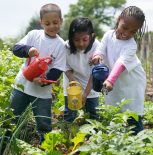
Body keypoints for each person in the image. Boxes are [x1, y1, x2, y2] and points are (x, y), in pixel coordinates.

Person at [10, 3, 66, 143]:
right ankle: (5, 143)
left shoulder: (61, 45)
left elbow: (57, 69)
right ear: (41, 22)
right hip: (21, 86)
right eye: (47, 23)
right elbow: (16, 48)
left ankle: (43, 150)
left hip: (42, 93)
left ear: (61, 21)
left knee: (44, 124)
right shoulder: (34, 35)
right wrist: (28, 50)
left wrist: (44, 80)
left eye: (55, 22)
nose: (52, 26)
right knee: (11, 118)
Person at [92, 6, 146, 135]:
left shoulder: (131, 45)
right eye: (125, 27)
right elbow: (100, 50)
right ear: (118, 19)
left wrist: (110, 80)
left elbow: (120, 64)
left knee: (133, 112)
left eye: (133, 31)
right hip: (115, 81)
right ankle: (118, 142)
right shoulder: (108, 35)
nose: (127, 33)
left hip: (132, 82)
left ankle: (139, 141)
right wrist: (97, 56)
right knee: (114, 111)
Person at [63, 17, 100, 122]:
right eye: (76, 40)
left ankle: (92, 137)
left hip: (90, 83)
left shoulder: (97, 47)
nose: (81, 44)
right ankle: (69, 134)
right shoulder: (66, 47)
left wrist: (85, 94)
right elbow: (65, 67)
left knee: (93, 114)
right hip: (72, 84)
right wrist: (73, 81)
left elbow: (95, 74)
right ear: (71, 38)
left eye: (85, 39)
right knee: (70, 113)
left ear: (91, 36)